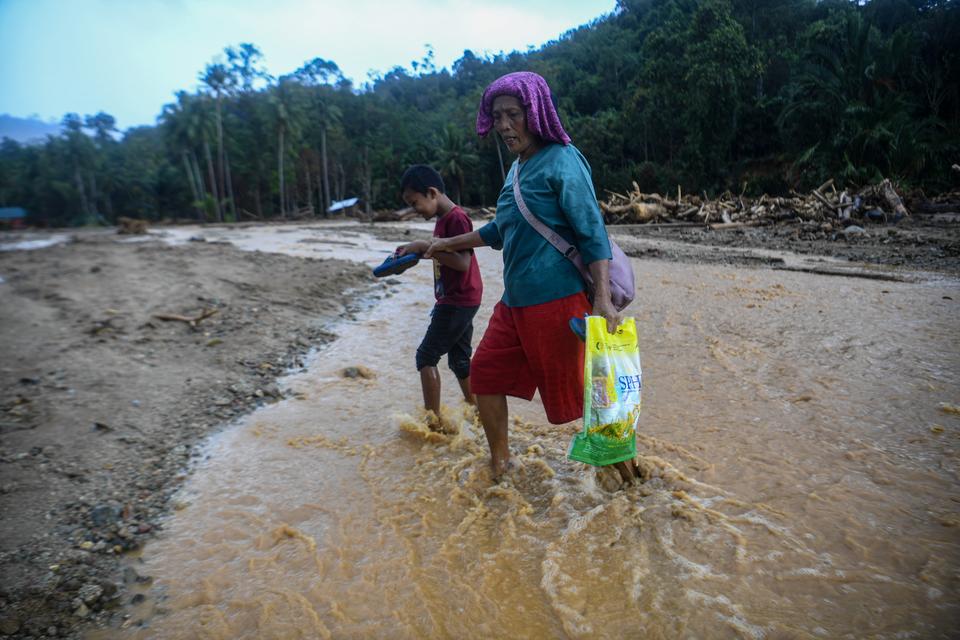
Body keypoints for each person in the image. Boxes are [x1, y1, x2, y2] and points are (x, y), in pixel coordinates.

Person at [424, 71, 640, 483]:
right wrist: (443, 245)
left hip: (557, 304)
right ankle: (501, 464)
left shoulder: (562, 160)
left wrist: (602, 302)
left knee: (587, 402)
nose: (504, 126)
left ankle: (631, 483)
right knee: (485, 374)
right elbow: (498, 232)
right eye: (497, 117)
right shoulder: (516, 171)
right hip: (515, 303)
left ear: (535, 112)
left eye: (513, 115)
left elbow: (591, 230)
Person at [395, 165, 483, 430]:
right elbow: (441, 254)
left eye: (415, 203)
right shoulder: (443, 220)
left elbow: (462, 263)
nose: (415, 210)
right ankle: (478, 412)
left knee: (426, 356)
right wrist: (412, 255)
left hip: (457, 301)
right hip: (462, 298)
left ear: (432, 193)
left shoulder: (457, 219)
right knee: (459, 361)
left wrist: (424, 247)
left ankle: (433, 424)